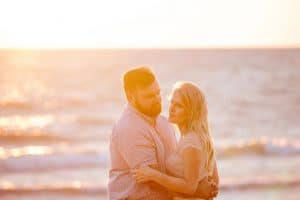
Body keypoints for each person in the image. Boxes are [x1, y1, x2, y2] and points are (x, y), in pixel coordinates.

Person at [108, 66, 218, 199]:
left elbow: (181, 168)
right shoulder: (129, 128)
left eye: (158, 93)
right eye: (149, 96)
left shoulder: (164, 122)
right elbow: (150, 181)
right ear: (131, 98)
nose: (157, 99)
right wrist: (196, 191)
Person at [132, 81, 219, 200]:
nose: (171, 108)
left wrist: (153, 175)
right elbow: (215, 182)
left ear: (191, 111)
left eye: (178, 105)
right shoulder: (198, 138)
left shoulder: (191, 143)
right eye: (172, 102)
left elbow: (190, 187)